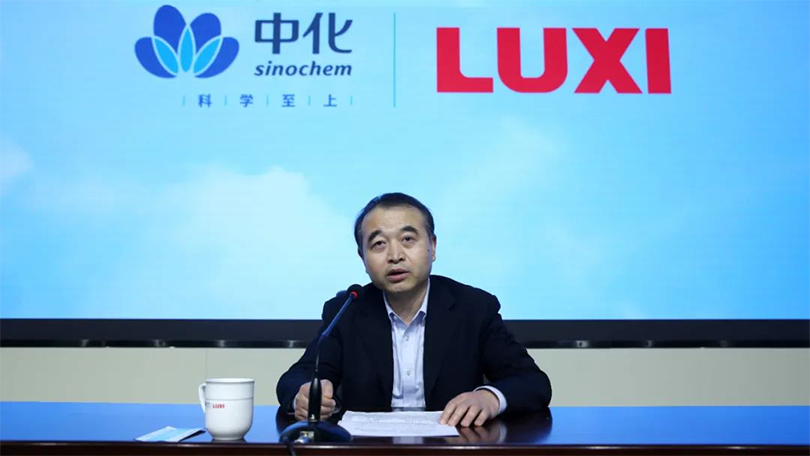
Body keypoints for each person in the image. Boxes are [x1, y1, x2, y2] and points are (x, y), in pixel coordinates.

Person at [276, 193, 551, 427]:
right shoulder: (348, 310)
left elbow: (532, 381)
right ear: (363, 258)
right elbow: (296, 377)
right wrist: (303, 396)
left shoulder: (473, 308)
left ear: (432, 247)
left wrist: (489, 397)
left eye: (408, 239)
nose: (395, 255)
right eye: (378, 244)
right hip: (368, 453)